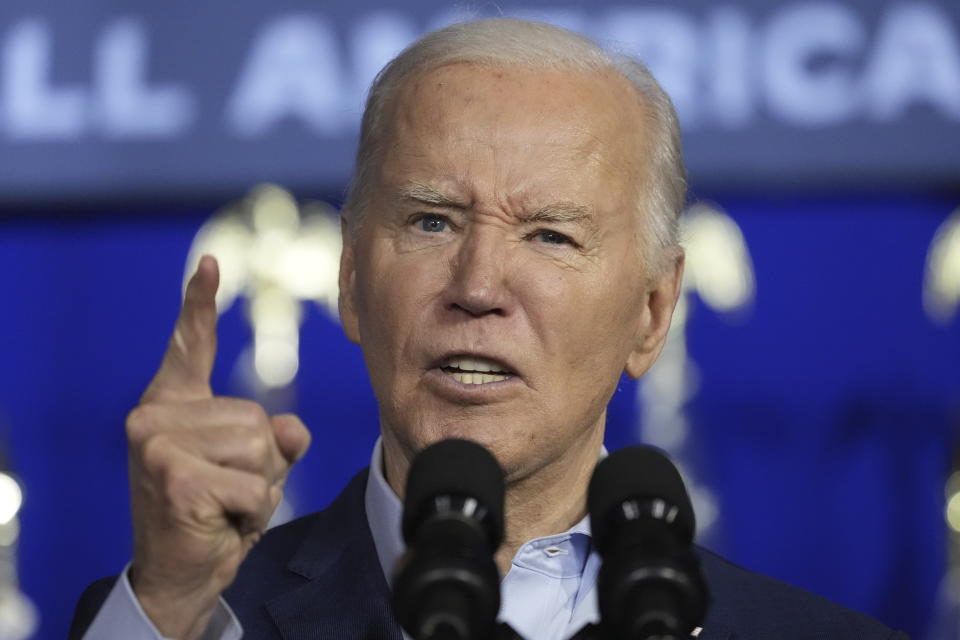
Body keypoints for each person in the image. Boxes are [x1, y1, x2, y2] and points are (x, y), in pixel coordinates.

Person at [71, 18, 908, 640]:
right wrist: (174, 605)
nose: (476, 288)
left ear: (652, 312)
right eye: (432, 221)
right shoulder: (179, 618)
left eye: (550, 234)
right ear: (351, 281)